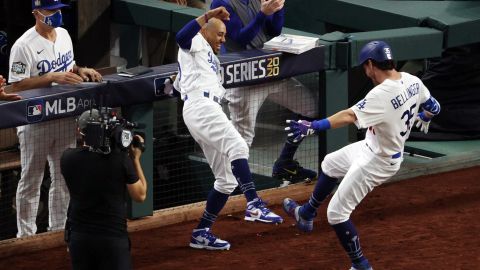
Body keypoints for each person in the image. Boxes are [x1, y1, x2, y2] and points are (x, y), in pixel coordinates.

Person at [282, 41, 441, 270]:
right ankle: (306, 214)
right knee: (330, 163)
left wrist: (313, 126)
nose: (365, 73)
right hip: (372, 147)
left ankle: (361, 265)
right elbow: (434, 105)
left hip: (378, 161)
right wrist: (426, 115)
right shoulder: (412, 81)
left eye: (364, 68)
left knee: (336, 214)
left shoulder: (382, 94)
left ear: (370, 64)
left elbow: (348, 115)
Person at [175, 6, 283, 250]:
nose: (223, 40)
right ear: (205, 31)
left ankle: (201, 231)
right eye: (220, 35)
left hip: (202, 108)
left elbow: (179, 83)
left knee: (225, 181)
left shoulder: (207, 56)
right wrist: (208, 15)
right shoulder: (194, 42)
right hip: (201, 107)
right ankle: (254, 203)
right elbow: (181, 36)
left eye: (224, 35)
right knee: (238, 146)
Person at [8, 0, 102, 237]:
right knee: (31, 181)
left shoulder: (64, 35)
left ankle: (57, 231)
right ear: (36, 13)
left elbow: (68, 68)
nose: (56, 14)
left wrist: (80, 70)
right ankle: (26, 237)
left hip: (63, 116)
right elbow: (14, 85)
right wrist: (51, 77)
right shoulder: (23, 45)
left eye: (58, 9)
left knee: (63, 178)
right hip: (35, 122)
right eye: (51, 10)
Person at [211, 0, 318, 186]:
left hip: (271, 70)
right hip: (245, 79)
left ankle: (285, 163)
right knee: (242, 141)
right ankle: (229, 187)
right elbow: (239, 38)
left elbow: (274, 30)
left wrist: (278, 9)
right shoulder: (221, 2)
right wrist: (262, 14)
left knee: (310, 108)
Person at [61, 109, 147, 270]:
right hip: (112, 239)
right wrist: (135, 159)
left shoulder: (67, 157)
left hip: (79, 238)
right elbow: (140, 195)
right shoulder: (120, 160)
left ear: (79, 130)